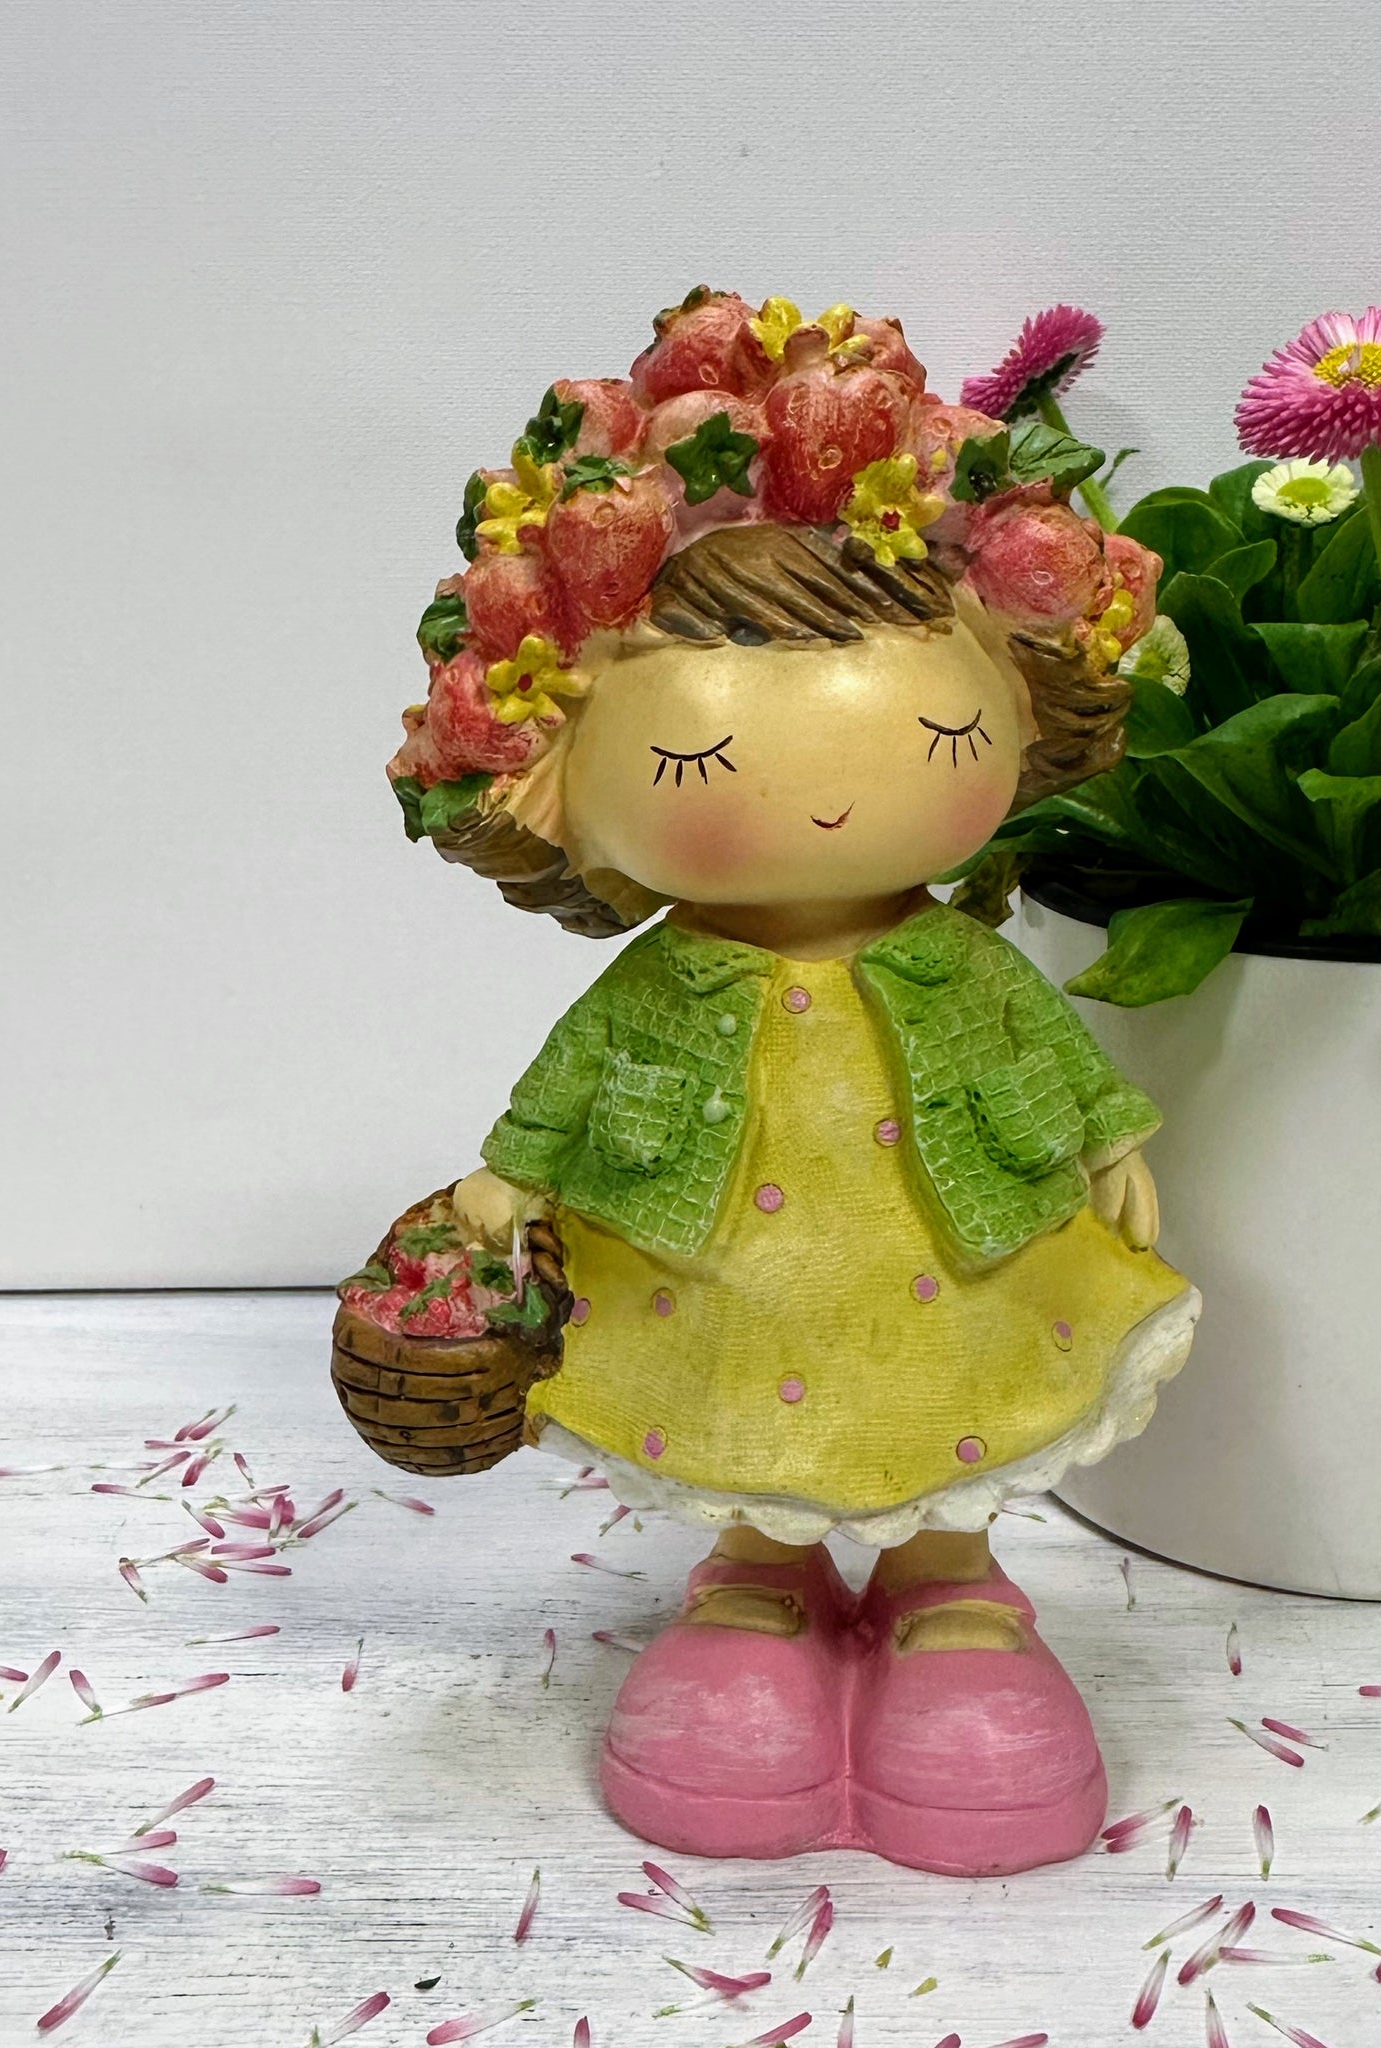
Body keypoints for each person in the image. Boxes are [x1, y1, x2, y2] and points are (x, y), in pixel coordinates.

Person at [352, 293, 1199, 1875]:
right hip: (713, 1265)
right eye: (691, 769)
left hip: (955, 1243)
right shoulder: (662, 978)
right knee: (737, 1402)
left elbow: (1042, 1046)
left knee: (956, 1394)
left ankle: (950, 1587)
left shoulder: (958, 959)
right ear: (555, 785)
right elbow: (571, 1083)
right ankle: (757, 1579)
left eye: (939, 733)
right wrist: (510, 1180)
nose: (822, 807)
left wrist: (1107, 1139)